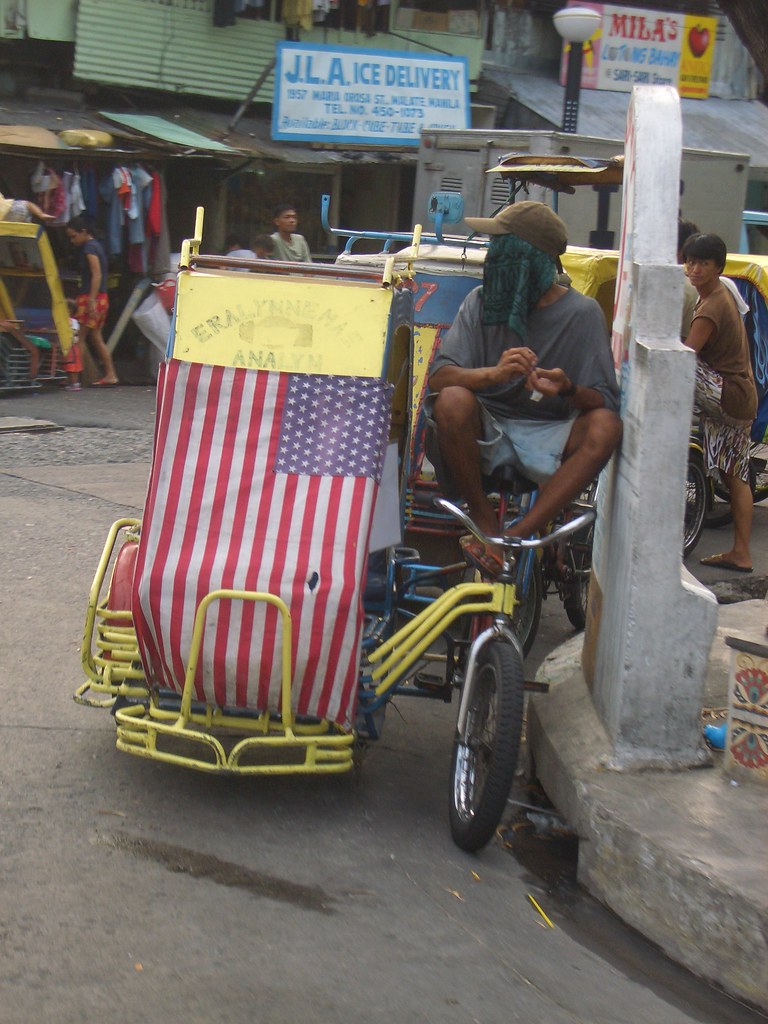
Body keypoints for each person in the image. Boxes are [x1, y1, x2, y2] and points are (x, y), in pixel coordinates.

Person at [427, 201, 622, 575]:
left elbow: (604, 399)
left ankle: (514, 535)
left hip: (550, 432)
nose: (491, 257)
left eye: (500, 248)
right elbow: (440, 377)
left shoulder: (582, 314)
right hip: (489, 426)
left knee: (606, 425)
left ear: (524, 259)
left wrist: (567, 388)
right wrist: (493, 375)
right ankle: (485, 522)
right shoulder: (479, 302)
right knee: (452, 399)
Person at [682, 231, 758, 573]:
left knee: (675, 362)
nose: (695, 269)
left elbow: (686, 354)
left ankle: (741, 552)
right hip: (739, 394)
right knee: (734, 475)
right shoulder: (721, 289)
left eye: (704, 263)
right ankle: (740, 551)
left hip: (731, 395)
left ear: (717, 267)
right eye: (691, 261)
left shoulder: (712, 304)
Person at [65, 215, 118, 386]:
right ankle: (110, 374)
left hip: (91, 297)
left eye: (74, 236)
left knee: (79, 338)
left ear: (84, 232)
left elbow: (96, 274)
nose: (72, 241)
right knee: (96, 338)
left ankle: (75, 377)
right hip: (100, 297)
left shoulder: (89, 248)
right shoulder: (97, 246)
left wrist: (91, 300)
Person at [60, 299, 83, 391]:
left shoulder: (72, 321)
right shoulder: (62, 320)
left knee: (72, 366)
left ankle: (74, 383)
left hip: (71, 346)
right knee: (66, 365)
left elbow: (74, 331)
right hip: (66, 346)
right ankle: (67, 381)